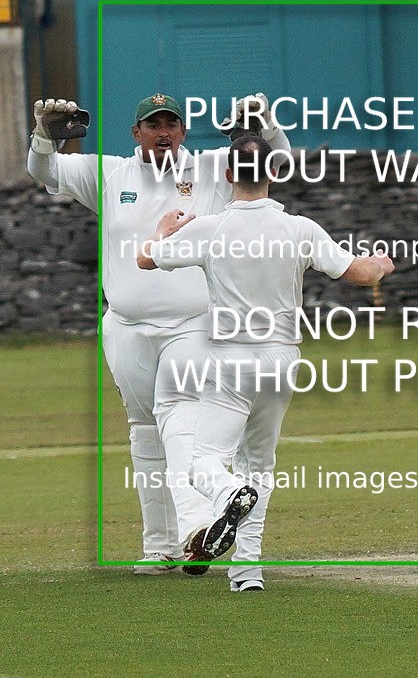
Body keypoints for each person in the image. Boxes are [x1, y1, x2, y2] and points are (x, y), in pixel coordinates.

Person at [27, 92, 291, 574]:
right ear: (137, 134)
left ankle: (198, 525)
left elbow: (277, 163)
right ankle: (161, 546)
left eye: (172, 124)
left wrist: (265, 124)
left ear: (184, 132)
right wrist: (44, 136)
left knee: (180, 415)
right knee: (145, 431)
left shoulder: (211, 168)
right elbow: (44, 173)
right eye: (153, 125)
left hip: (193, 324)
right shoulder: (110, 174)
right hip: (125, 324)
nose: (163, 132)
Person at [137, 135, 394, 591]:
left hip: (231, 357)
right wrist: (381, 263)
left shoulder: (209, 228)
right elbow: (359, 274)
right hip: (282, 358)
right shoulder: (299, 228)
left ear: (229, 175)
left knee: (204, 465)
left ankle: (229, 495)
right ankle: (247, 571)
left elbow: (144, 259)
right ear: (273, 173)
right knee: (260, 463)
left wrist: (163, 230)